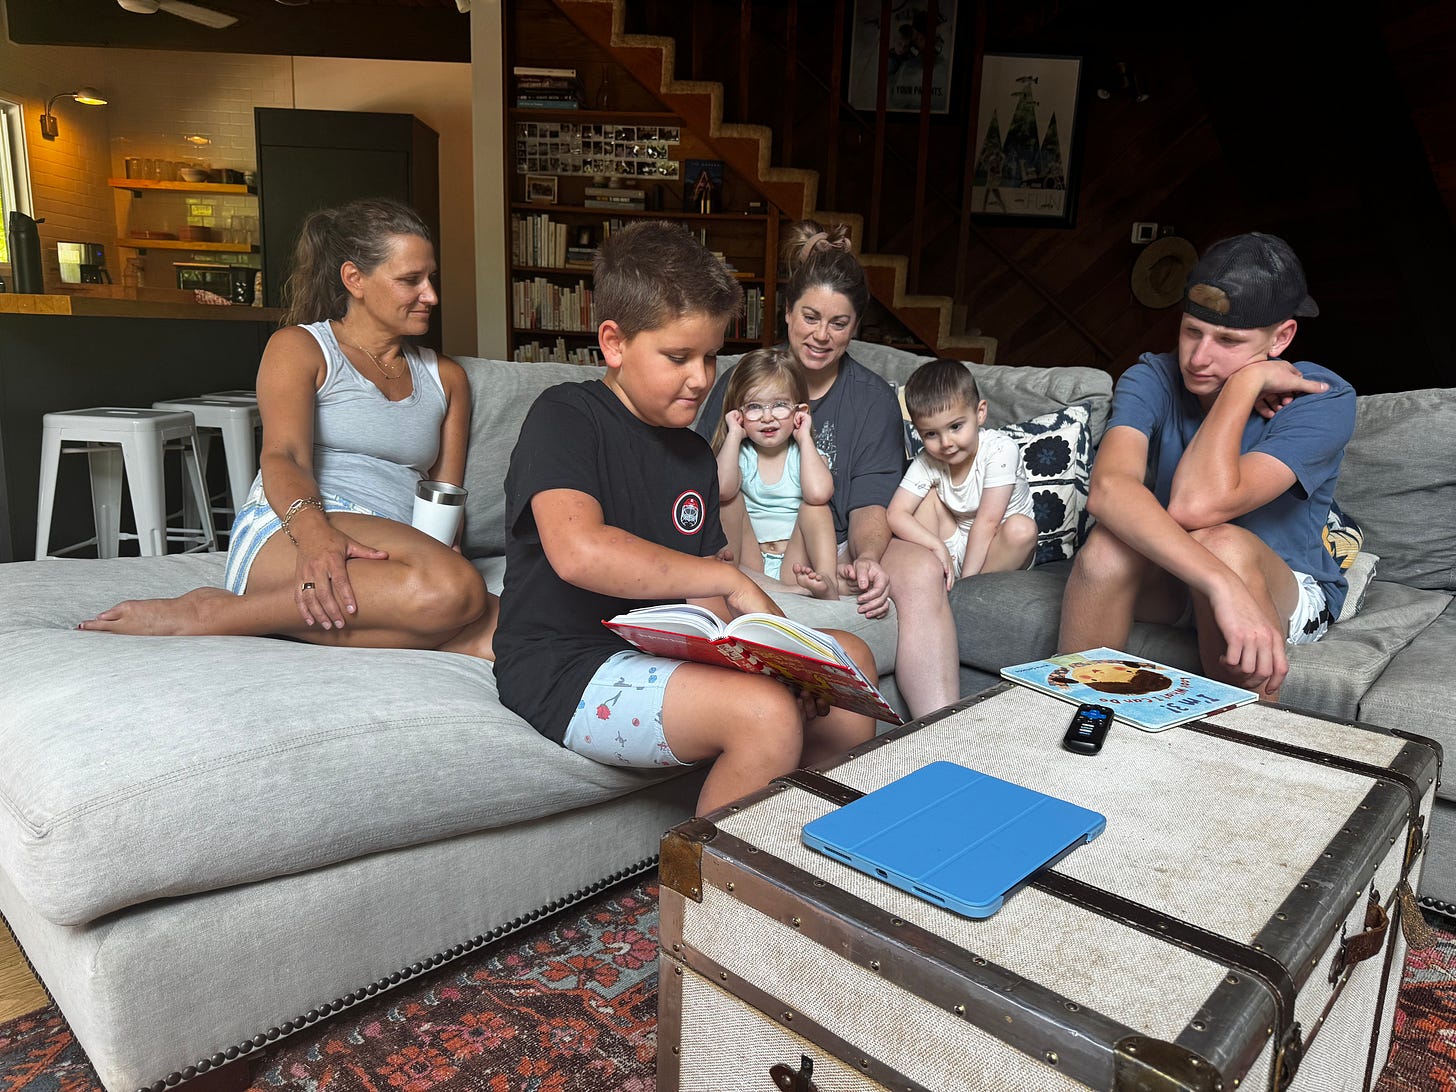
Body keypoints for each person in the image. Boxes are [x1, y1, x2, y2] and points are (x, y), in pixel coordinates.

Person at [493, 220, 876, 816]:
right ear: (614, 343)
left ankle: (787, 850)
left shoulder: (695, 453)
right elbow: (580, 552)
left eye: (710, 356)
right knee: (765, 713)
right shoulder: (565, 416)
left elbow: (702, 605)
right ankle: (706, 902)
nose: (701, 379)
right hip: (564, 664)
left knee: (847, 664)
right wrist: (728, 579)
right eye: (678, 357)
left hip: (662, 650)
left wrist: (780, 653)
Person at [78, 197, 498, 660]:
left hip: (395, 550)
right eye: (410, 280)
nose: (431, 295)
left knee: (517, 629)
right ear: (354, 279)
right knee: (454, 591)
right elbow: (283, 456)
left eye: (430, 278)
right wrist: (318, 539)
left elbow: (441, 493)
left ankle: (355, 610)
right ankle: (205, 615)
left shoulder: (447, 378)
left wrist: (440, 552)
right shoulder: (300, 348)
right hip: (296, 527)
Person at [1057, 231, 1356, 700]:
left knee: (1223, 544)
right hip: (1190, 570)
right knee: (1106, 547)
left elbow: (1197, 506)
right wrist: (1220, 585)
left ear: (1281, 337)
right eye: (1191, 331)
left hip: (1286, 585)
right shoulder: (1153, 376)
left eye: (1228, 341)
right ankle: (1074, 720)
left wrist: (1241, 386)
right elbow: (1110, 490)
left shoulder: (1323, 398)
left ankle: (1239, 760)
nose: (1197, 358)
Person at [696, 219, 960, 720]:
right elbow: (704, 481)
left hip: (828, 544)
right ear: (788, 312)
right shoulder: (742, 379)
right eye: (810, 317)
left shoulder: (873, 399)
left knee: (921, 567)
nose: (820, 335)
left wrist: (868, 558)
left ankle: (938, 730)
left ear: (856, 327)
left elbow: (867, 502)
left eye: (838, 324)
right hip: (746, 541)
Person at [888, 358, 1038, 589]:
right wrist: (935, 545)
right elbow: (896, 514)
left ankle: (968, 591)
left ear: (980, 413)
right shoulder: (928, 461)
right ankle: (934, 579)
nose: (946, 443)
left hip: (1000, 547)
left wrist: (966, 582)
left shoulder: (999, 449)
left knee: (1022, 529)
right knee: (926, 497)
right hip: (955, 544)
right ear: (918, 432)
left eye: (955, 426)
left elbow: (987, 522)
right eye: (930, 434)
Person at [710, 346, 838, 600]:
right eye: (755, 407)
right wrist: (734, 435)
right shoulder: (739, 455)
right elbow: (722, 489)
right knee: (729, 501)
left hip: (794, 563)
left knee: (815, 505)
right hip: (750, 561)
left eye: (780, 405)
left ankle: (827, 582)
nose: (768, 417)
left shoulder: (805, 456)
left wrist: (804, 439)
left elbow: (819, 492)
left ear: (799, 412)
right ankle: (730, 575)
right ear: (739, 414)